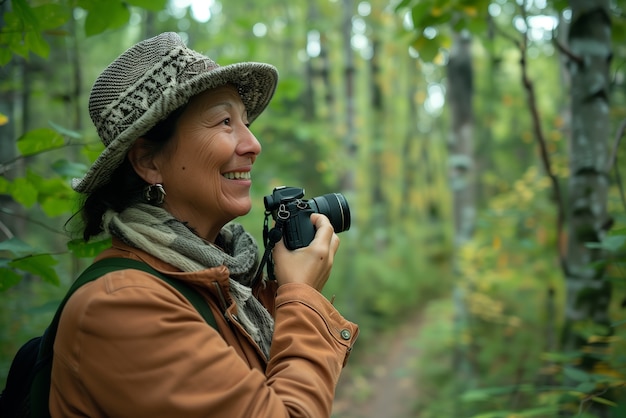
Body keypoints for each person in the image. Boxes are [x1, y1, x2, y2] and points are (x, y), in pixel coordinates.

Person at [51, 32, 358, 417]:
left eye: (245, 122)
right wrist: (300, 295)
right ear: (148, 162)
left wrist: (279, 293)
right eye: (224, 121)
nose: (253, 144)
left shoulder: (225, 284)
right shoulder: (122, 305)